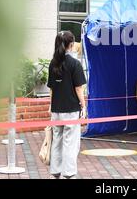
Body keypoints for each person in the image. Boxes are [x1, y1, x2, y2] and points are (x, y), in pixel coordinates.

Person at [47, 31, 87, 179]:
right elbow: (79, 88)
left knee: (57, 140)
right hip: (71, 110)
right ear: (71, 45)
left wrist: (51, 106)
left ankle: (55, 172)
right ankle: (69, 174)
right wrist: (83, 106)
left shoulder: (53, 63)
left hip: (56, 109)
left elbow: (51, 88)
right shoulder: (75, 64)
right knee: (70, 143)